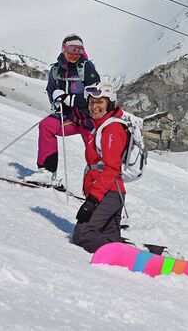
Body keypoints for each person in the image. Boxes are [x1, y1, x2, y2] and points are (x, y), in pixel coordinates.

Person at [24, 34, 101, 185]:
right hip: (71, 118)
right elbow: (51, 89)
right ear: (64, 49)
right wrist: (56, 101)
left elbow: (96, 94)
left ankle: (100, 187)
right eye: (72, 49)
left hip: (89, 120)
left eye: (79, 50)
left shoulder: (86, 67)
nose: (75, 54)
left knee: (94, 153)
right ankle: (48, 173)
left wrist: (73, 99)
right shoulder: (56, 70)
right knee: (47, 126)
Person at [72, 81, 128, 253]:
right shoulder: (99, 128)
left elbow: (111, 168)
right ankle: (150, 253)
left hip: (109, 191)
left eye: (99, 102)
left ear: (109, 103)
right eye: (91, 102)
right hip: (108, 191)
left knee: (83, 234)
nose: (94, 107)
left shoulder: (112, 129)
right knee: (110, 236)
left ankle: (124, 252)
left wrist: (92, 200)